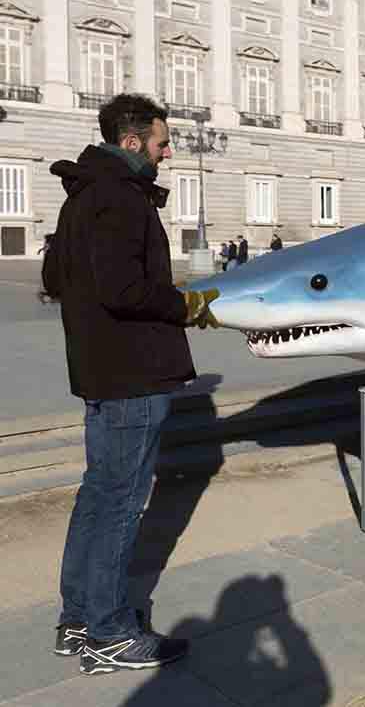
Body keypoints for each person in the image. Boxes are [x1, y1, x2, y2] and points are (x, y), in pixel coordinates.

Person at [41, 93, 220, 676]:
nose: (169, 152)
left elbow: (53, 276)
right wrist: (189, 305)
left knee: (98, 498)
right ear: (131, 142)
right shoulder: (120, 197)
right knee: (119, 506)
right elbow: (123, 289)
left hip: (99, 369)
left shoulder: (82, 193)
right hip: (133, 375)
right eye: (162, 142)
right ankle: (111, 633)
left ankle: (79, 620)